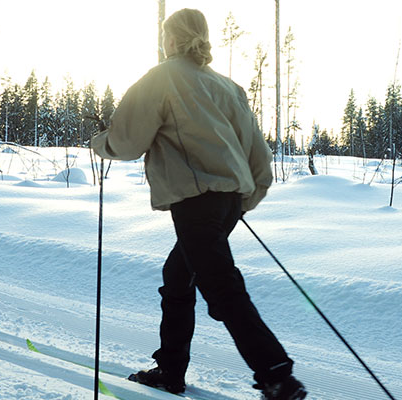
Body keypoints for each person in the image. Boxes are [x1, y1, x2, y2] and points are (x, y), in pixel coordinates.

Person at [91, 9, 306, 400]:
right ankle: (170, 369)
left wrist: (99, 143)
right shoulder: (228, 88)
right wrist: (240, 200)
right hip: (226, 203)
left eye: (164, 37)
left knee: (221, 286)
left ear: (171, 40)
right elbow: (259, 159)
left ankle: (277, 376)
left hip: (196, 201)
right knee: (178, 276)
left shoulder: (163, 76)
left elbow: (126, 141)